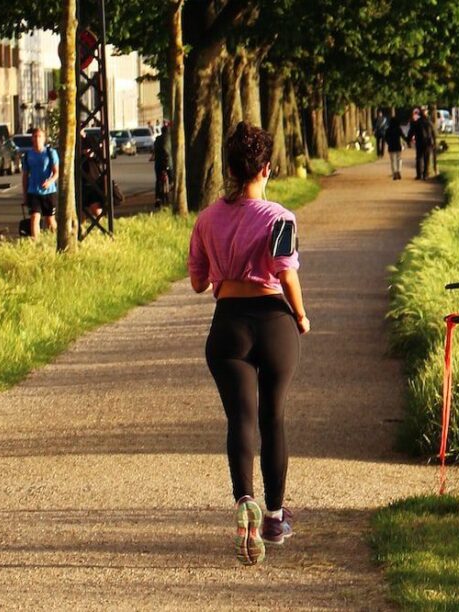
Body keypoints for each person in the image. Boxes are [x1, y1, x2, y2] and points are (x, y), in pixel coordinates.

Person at [187, 122, 310, 566]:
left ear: (231, 169)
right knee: (272, 417)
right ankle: (275, 519)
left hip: (228, 326)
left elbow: (199, 282)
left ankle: (245, 502)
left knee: (240, 418)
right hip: (273, 322)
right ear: (266, 168)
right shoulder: (279, 217)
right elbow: (285, 272)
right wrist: (300, 316)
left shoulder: (206, 219)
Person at [20, 127, 58, 238]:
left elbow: (56, 172)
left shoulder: (50, 153)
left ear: (44, 138)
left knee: (49, 220)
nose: (37, 139)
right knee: (34, 218)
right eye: (35, 136)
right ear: (32, 139)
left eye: (40, 136)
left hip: (49, 192)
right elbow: (25, 176)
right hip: (33, 191)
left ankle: (57, 241)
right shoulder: (28, 155)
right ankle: (36, 244)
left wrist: (50, 181)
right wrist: (25, 194)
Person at [407, 108, 436, 180]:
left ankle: (419, 174)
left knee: (419, 158)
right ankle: (425, 174)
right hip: (428, 142)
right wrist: (434, 142)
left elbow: (411, 132)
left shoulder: (417, 122)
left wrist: (408, 140)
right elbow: (433, 133)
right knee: (427, 159)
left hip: (419, 142)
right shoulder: (429, 122)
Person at [152, 123, 173, 208]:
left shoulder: (157, 139)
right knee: (171, 177)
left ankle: (157, 198)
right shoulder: (170, 139)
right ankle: (171, 186)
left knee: (158, 180)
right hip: (168, 162)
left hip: (158, 163)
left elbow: (154, 150)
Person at [383, 112, 409, 180]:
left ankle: (394, 172)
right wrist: (407, 140)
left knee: (393, 160)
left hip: (391, 146)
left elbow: (385, 137)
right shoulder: (398, 128)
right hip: (398, 146)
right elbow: (403, 136)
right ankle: (398, 171)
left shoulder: (388, 129)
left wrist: (388, 143)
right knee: (399, 159)